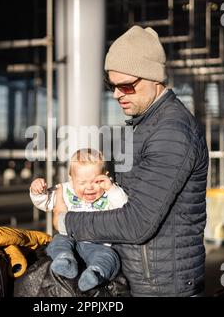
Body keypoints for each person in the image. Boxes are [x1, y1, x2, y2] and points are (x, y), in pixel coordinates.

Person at [53, 26, 209, 297]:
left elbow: (137, 223)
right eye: (111, 85)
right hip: (144, 281)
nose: (116, 94)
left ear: (154, 78)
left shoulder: (171, 132)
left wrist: (66, 221)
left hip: (163, 288)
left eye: (125, 85)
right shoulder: (145, 125)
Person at [30, 148, 128, 292]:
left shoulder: (110, 192)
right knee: (57, 242)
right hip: (70, 239)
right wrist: (37, 191)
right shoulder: (64, 190)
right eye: (82, 183)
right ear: (71, 179)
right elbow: (45, 201)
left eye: (96, 181)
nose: (89, 187)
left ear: (106, 176)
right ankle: (65, 260)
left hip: (99, 245)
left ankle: (95, 273)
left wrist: (111, 188)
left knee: (111, 257)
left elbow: (124, 206)